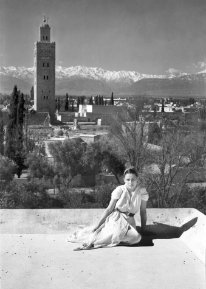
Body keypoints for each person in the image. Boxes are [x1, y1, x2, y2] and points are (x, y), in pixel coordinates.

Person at [72, 167, 149, 250]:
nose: (130, 182)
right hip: (116, 218)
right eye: (128, 179)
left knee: (136, 238)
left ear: (137, 179)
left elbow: (143, 211)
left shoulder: (142, 191)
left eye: (133, 179)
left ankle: (114, 240)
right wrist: (98, 225)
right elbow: (109, 209)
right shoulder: (120, 190)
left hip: (130, 220)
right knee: (117, 233)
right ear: (124, 180)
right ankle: (96, 240)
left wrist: (143, 229)